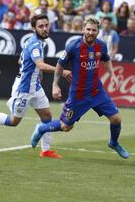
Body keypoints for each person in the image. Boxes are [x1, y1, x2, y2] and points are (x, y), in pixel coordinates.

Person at [0, 14, 72, 159]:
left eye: (46, 25)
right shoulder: (35, 44)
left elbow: (21, 62)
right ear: (34, 28)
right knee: (14, 121)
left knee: (47, 116)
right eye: (41, 26)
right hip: (24, 89)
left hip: (35, 87)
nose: (45, 29)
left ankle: (46, 150)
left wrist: (37, 73)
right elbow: (39, 64)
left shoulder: (36, 42)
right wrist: (61, 72)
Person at [30, 17, 130, 159]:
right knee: (66, 127)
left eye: (93, 30)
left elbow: (106, 59)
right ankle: (41, 128)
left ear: (98, 32)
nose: (90, 32)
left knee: (116, 119)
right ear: (83, 29)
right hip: (78, 96)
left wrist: (112, 74)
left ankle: (113, 143)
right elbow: (59, 66)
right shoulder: (73, 46)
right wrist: (55, 85)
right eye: (88, 29)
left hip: (97, 92)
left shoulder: (101, 45)